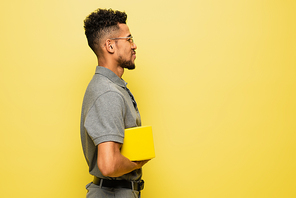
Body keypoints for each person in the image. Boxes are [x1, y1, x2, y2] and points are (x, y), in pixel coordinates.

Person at [80, 8, 149, 198]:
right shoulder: (108, 92)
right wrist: (138, 162)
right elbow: (108, 165)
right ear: (110, 46)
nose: (134, 45)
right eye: (129, 39)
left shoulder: (112, 88)